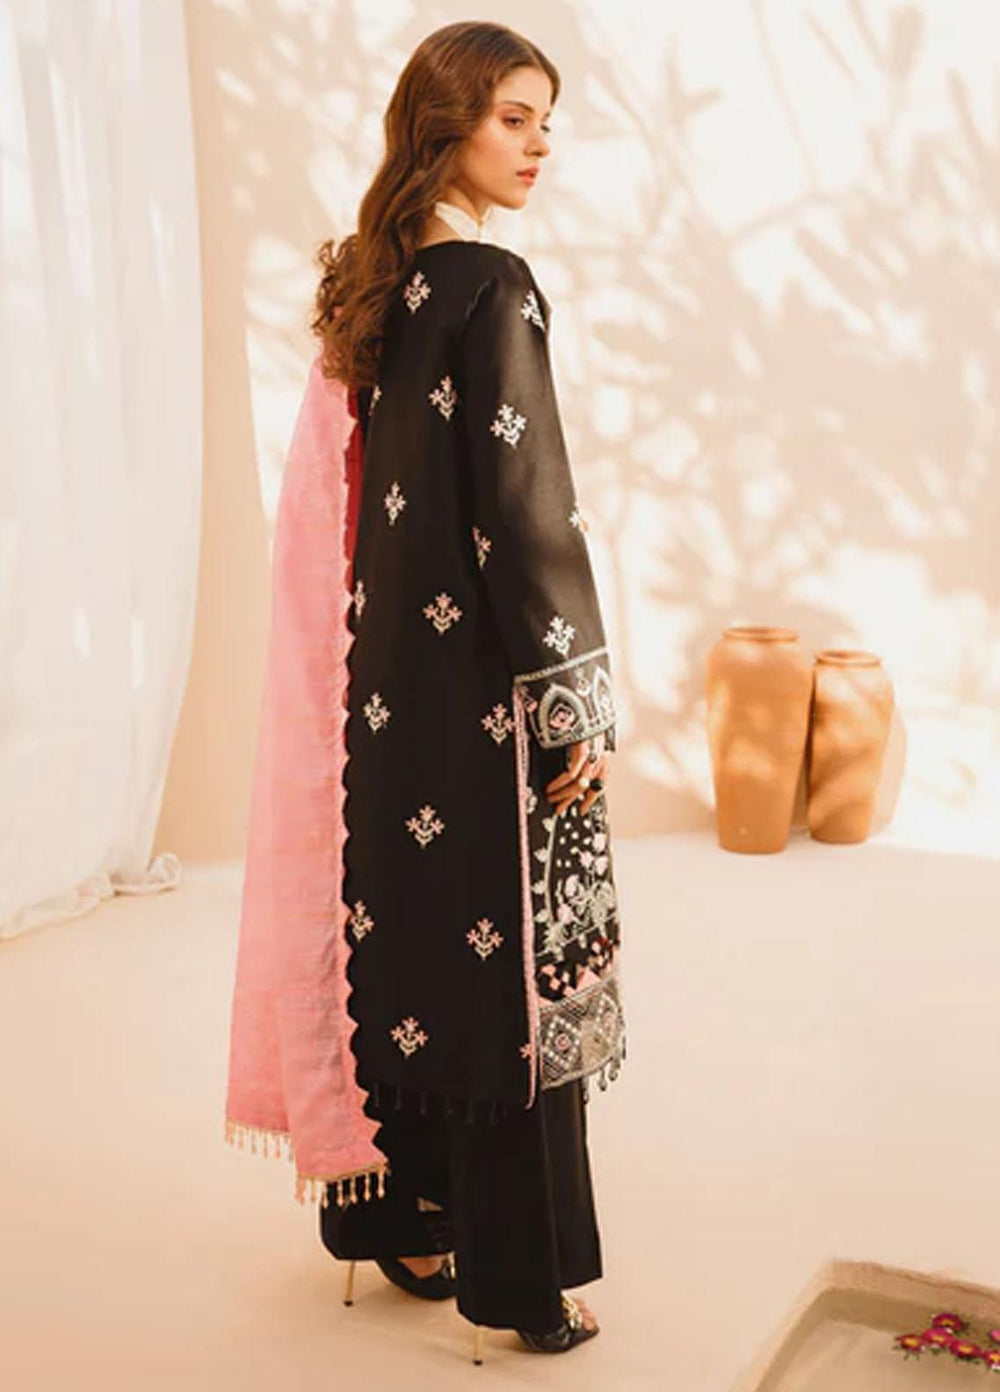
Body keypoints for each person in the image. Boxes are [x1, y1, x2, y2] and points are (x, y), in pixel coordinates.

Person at [308, 20, 625, 1360]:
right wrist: (572, 706)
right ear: (446, 125)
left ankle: (412, 1219)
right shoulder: (493, 285)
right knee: (509, 984)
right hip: (491, 696)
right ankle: (523, 1284)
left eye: (548, 121)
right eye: (513, 118)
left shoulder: (381, 286)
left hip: (392, 692)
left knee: (418, 951)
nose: (539, 145)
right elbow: (524, 510)